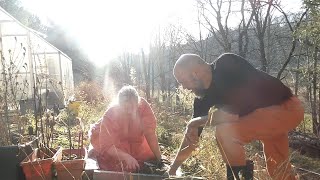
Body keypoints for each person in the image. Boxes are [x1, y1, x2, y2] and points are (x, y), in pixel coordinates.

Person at [168, 53, 304, 180]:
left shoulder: (226, 64)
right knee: (279, 172)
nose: (184, 87)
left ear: (195, 73)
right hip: (264, 119)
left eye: (182, 81)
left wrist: (195, 122)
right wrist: (172, 170)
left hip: (286, 108)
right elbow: (192, 137)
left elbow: (231, 115)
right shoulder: (202, 98)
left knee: (226, 132)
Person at [88, 85, 161, 172]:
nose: (130, 111)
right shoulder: (110, 115)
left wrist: (159, 159)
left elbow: (150, 134)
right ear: (119, 105)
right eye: (126, 108)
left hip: (133, 137)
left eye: (133, 107)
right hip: (109, 139)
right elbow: (107, 146)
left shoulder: (143, 106)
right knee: (109, 161)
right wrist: (126, 157)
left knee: (146, 156)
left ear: (138, 104)